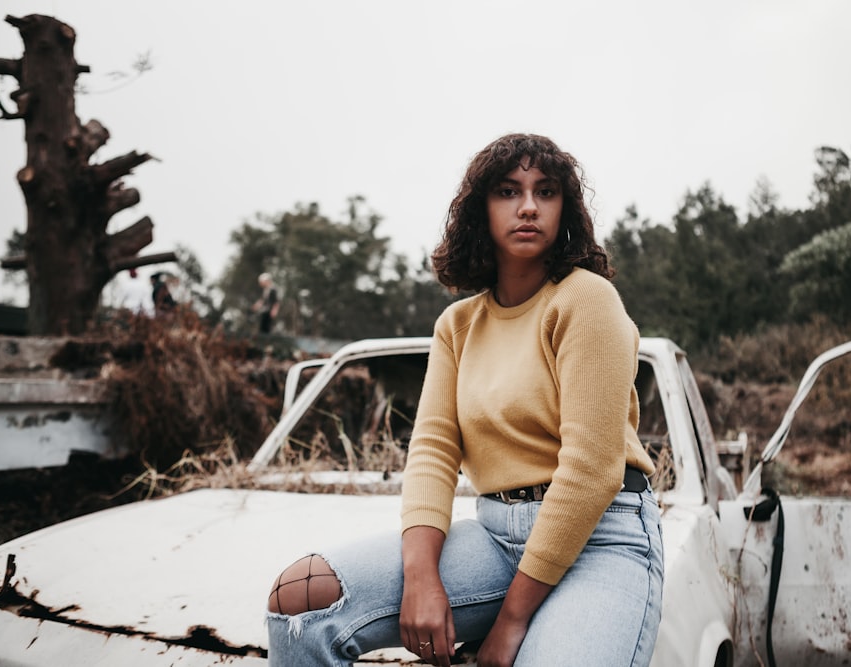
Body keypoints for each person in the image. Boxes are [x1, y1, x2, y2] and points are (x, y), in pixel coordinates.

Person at [265, 134, 664, 667]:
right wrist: (421, 577)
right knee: (301, 604)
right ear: (482, 210)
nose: (528, 206)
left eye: (545, 192)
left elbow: (591, 470)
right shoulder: (458, 324)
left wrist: (510, 622)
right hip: (498, 538)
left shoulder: (585, 299)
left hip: (602, 540)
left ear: (563, 209)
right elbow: (432, 449)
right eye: (508, 191)